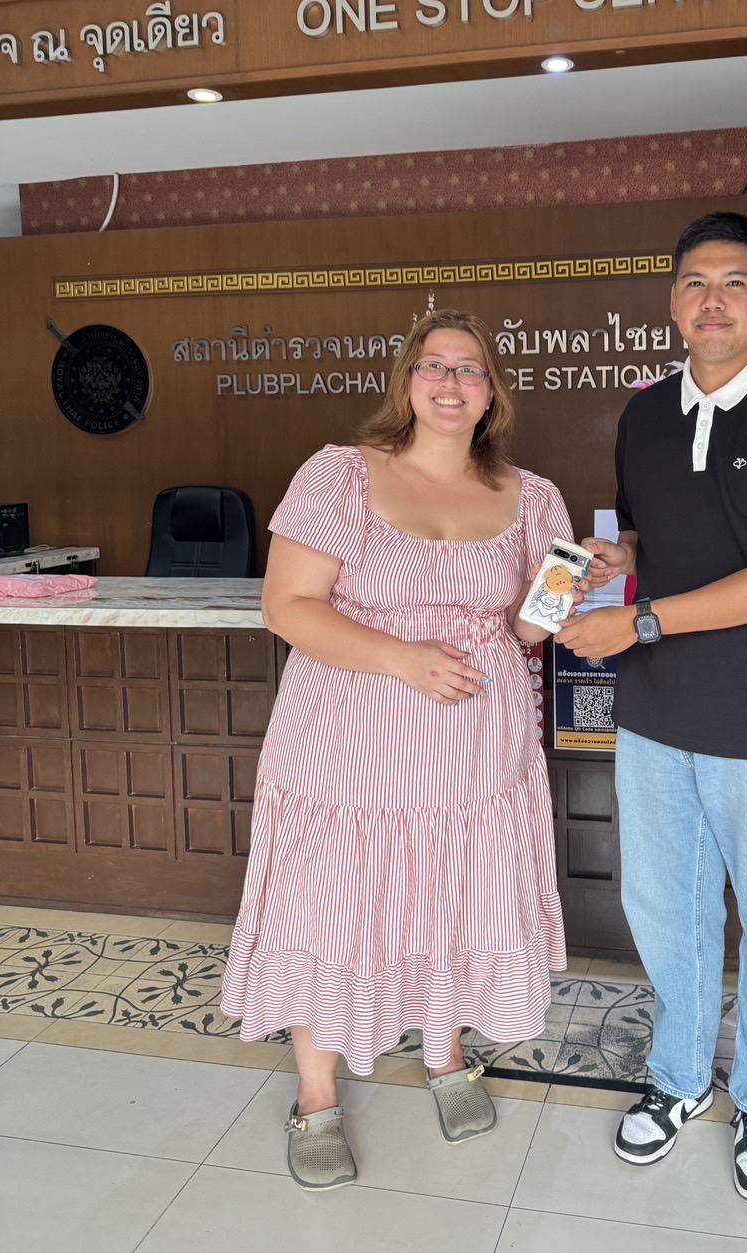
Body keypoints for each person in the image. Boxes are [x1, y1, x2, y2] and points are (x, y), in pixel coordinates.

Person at [221, 308, 575, 1189]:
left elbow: (529, 628)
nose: (451, 382)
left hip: (475, 756)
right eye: (433, 366)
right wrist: (403, 659)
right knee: (332, 904)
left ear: (492, 392)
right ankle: (316, 1093)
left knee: (452, 898)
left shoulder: (534, 496)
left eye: (470, 368)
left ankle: (445, 1052)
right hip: (349, 748)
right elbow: (287, 606)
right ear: (407, 382)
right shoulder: (340, 474)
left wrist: (574, 575)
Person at [557, 211, 747, 1205]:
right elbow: (660, 538)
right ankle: (681, 1074)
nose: (714, 299)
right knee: (668, 913)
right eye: (695, 282)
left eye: (735, 282)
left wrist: (639, 622)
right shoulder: (644, 414)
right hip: (656, 720)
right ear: (673, 302)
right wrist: (619, 558)